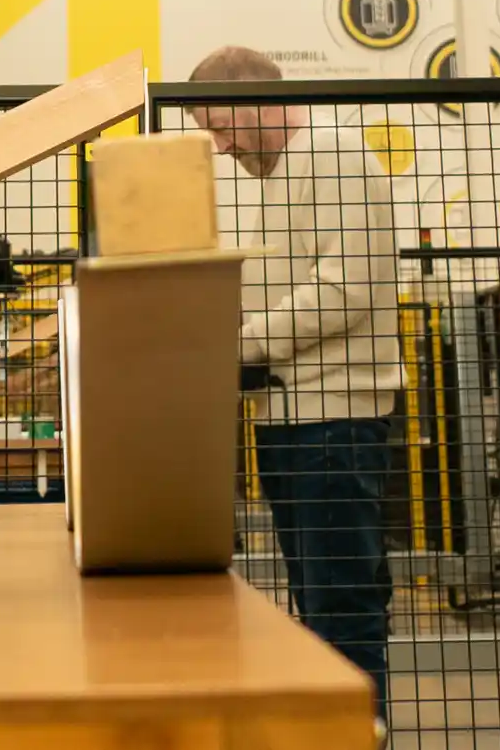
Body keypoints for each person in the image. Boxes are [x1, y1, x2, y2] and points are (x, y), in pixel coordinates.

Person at [184, 46, 403, 711]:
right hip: (296, 418)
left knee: (341, 609)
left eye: (220, 127)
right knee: (322, 605)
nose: (219, 148)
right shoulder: (284, 175)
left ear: (257, 102)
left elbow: (345, 289)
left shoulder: (331, 155)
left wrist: (234, 344)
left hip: (332, 422)